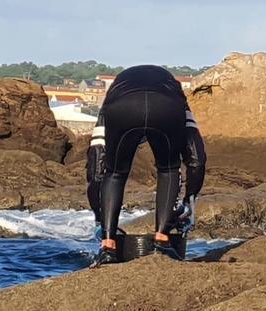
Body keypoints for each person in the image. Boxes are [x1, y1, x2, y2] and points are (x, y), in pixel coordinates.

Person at [85, 65, 207, 264]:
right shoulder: (178, 98)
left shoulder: (111, 97)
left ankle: (108, 245)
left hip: (123, 107)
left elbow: (95, 166)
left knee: (114, 173)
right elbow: (197, 159)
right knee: (168, 169)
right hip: (166, 107)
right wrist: (189, 201)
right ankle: (163, 239)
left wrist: (99, 215)